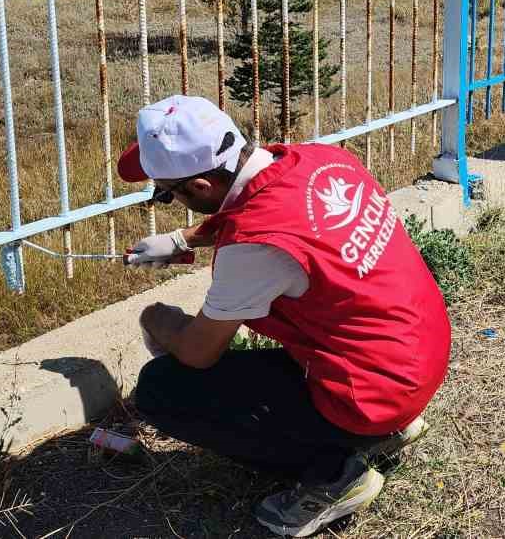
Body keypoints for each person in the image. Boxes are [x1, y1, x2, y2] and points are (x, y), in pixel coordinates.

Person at [119, 94, 452, 537]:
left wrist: (157, 319)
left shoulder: (257, 248)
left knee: (163, 389)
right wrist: (182, 239)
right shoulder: (317, 159)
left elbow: (199, 353)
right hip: (416, 351)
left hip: (372, 393)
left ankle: (335, 476)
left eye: (165, 193)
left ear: (199, 186)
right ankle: (389, 427)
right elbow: (251, 202)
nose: (165, 198)